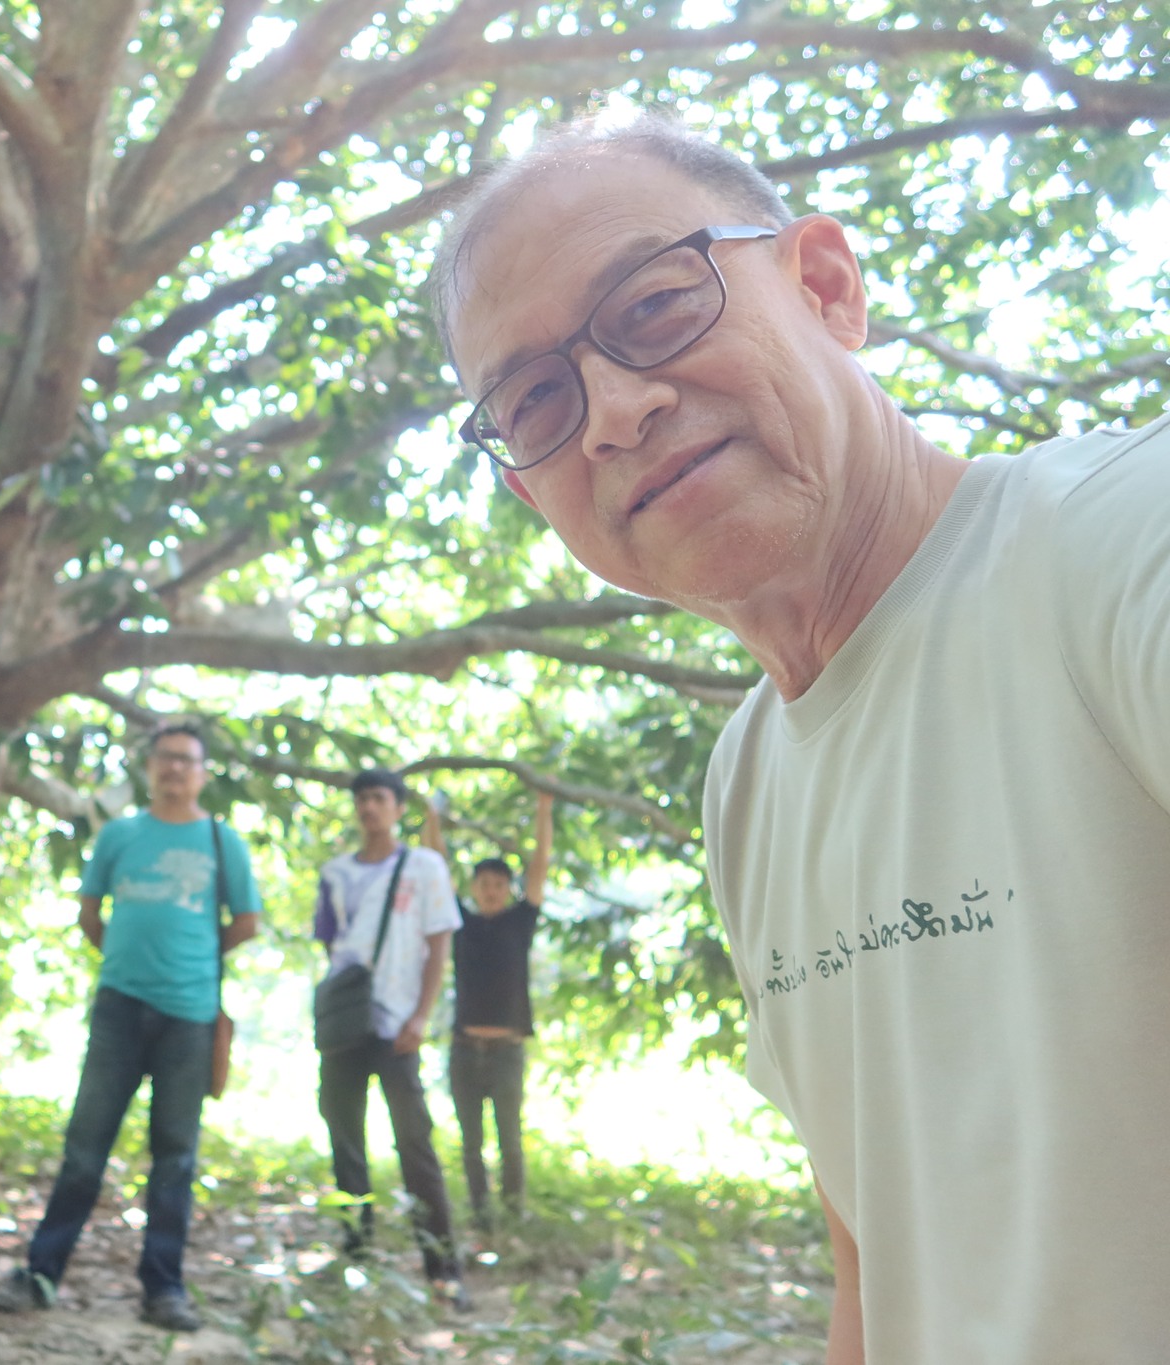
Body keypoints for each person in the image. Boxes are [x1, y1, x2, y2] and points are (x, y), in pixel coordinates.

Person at [432, 112, 1170, 1362]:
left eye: (654, 306)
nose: (613, 410)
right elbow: (877, 1267)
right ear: (525, 485)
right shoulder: (747, 785)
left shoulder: (1114, 543)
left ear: (823, 287)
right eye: (537, 399)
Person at [0, 723, 262, 1333]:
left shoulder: (222, 843)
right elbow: (89, 914)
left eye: (186, 760)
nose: (175, 769)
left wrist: (195, 957)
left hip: (190, 1016)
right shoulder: (119, 835)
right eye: (165, 758)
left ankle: (164, 1289)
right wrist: (125, 959)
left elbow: (247, 921)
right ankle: (40, 1274)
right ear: (148, 767)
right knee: (84, 1149)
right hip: (119, 1008)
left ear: (203, 773)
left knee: (175, 1157)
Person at [313, 769, 465, 1300]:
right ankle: (357, 1260)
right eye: (361, 799)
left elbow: (439, 944)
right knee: (345, 1142)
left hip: (398, 1022)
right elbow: (330, 946)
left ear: (399, 808)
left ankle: (443, 1268)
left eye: (379, 798)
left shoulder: (424, 867)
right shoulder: (334, 873)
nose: (368, 807)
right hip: (344, 1027)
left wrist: (421, 1015)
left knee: (415, 1145)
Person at [424, 788, 552, 1232]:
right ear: (474, 889)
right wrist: (432, 817)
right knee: (471, 1143)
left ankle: (514, 1215)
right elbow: (436, 864)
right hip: (464, 1049)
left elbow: (540, 865)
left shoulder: (521, 921)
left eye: (499, 885)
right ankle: (481, 1217)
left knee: (510, 1141)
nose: (491, 891)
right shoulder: (460, 922)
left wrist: (544, 807)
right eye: (484, 885)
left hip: (507, 1053)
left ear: (508, 890)